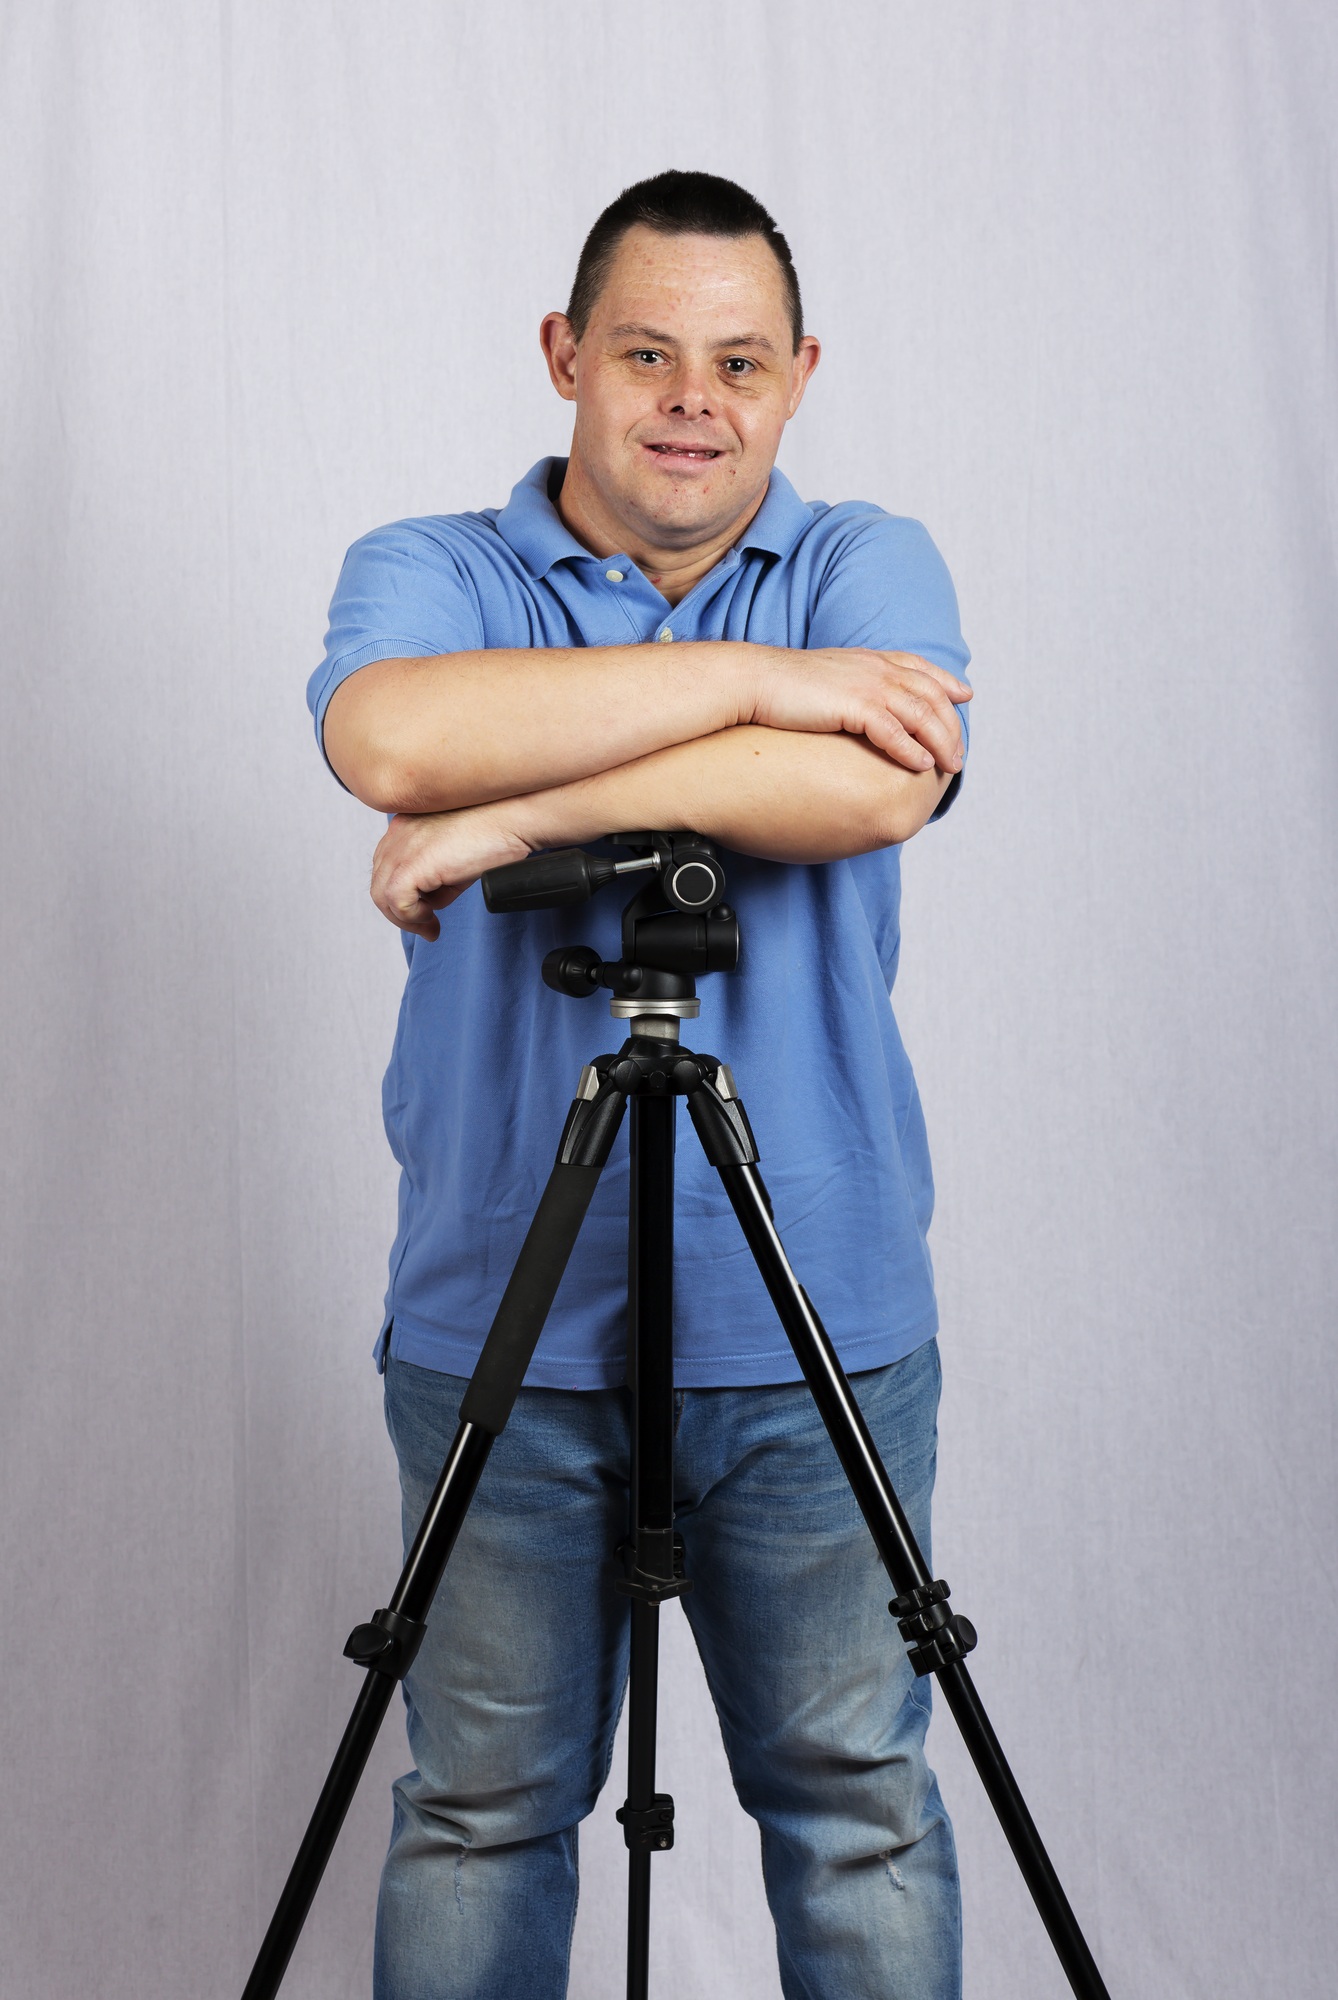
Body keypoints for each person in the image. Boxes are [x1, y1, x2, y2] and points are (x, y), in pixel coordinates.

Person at [309, 169, 973, 2000]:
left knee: (853, 1805)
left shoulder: (868, 562)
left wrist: (520, 811)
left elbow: (875, 783)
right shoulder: (434, 567)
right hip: (500, 1310)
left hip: (814, 1310)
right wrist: (762, 685)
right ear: (564, 356)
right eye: (646, 354)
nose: (694, 399)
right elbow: (391, 737)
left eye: (739, 362)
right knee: (479, 1812)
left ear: (799, 376)